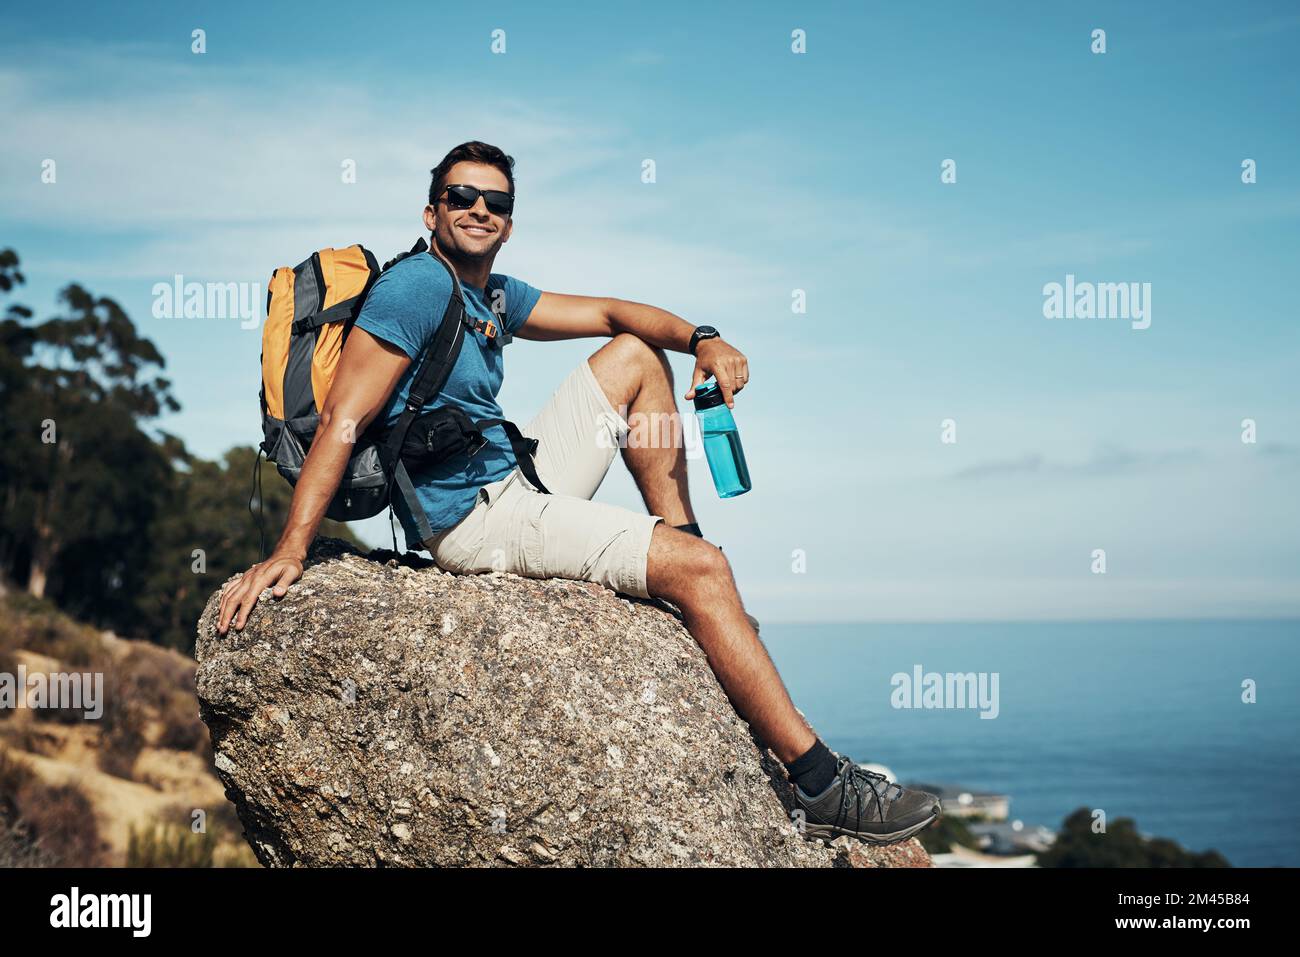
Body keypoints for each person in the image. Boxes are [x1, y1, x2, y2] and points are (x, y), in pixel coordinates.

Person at [217, 141, 941, 845]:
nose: (478, 208)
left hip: (518, 475)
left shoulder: (490, 295)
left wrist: (706, 339)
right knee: (707, 575)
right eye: (460, 196)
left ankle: (681, 545)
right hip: (477, 520)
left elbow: (610, 314)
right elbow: (345, 419)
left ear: (509, 218)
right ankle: (820, 786)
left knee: (636, 356)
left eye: (494, 200)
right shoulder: (418, 287)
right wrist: (290, 549)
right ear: (432, 212)